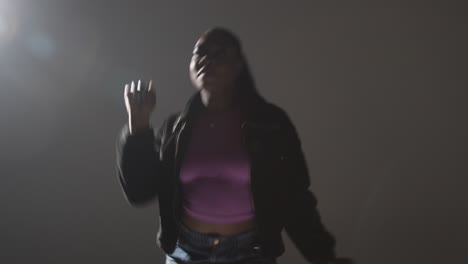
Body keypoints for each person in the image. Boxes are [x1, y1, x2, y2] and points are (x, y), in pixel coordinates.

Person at [116, 27, 346, 264]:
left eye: (219, 54)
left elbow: (295, 198)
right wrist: (138, 126)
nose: (207, 59)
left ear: (238, 67)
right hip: (186, 253)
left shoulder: (270, 125)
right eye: (200, 53)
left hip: (249, 253)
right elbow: (139, 192)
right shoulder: (175, 128)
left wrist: (323, 256)